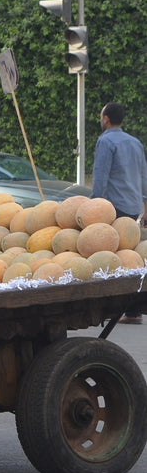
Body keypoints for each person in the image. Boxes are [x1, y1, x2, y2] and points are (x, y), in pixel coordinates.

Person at [90, 102, 147, 323]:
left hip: (113, 207)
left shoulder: (105, 141)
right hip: (132, 207)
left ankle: (110, 306)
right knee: (129, 255)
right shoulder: (135, 142)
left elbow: (101, 176)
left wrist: (94, 206)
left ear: (106, 119)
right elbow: (143, 177)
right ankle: (133, 310)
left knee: (110, 256)